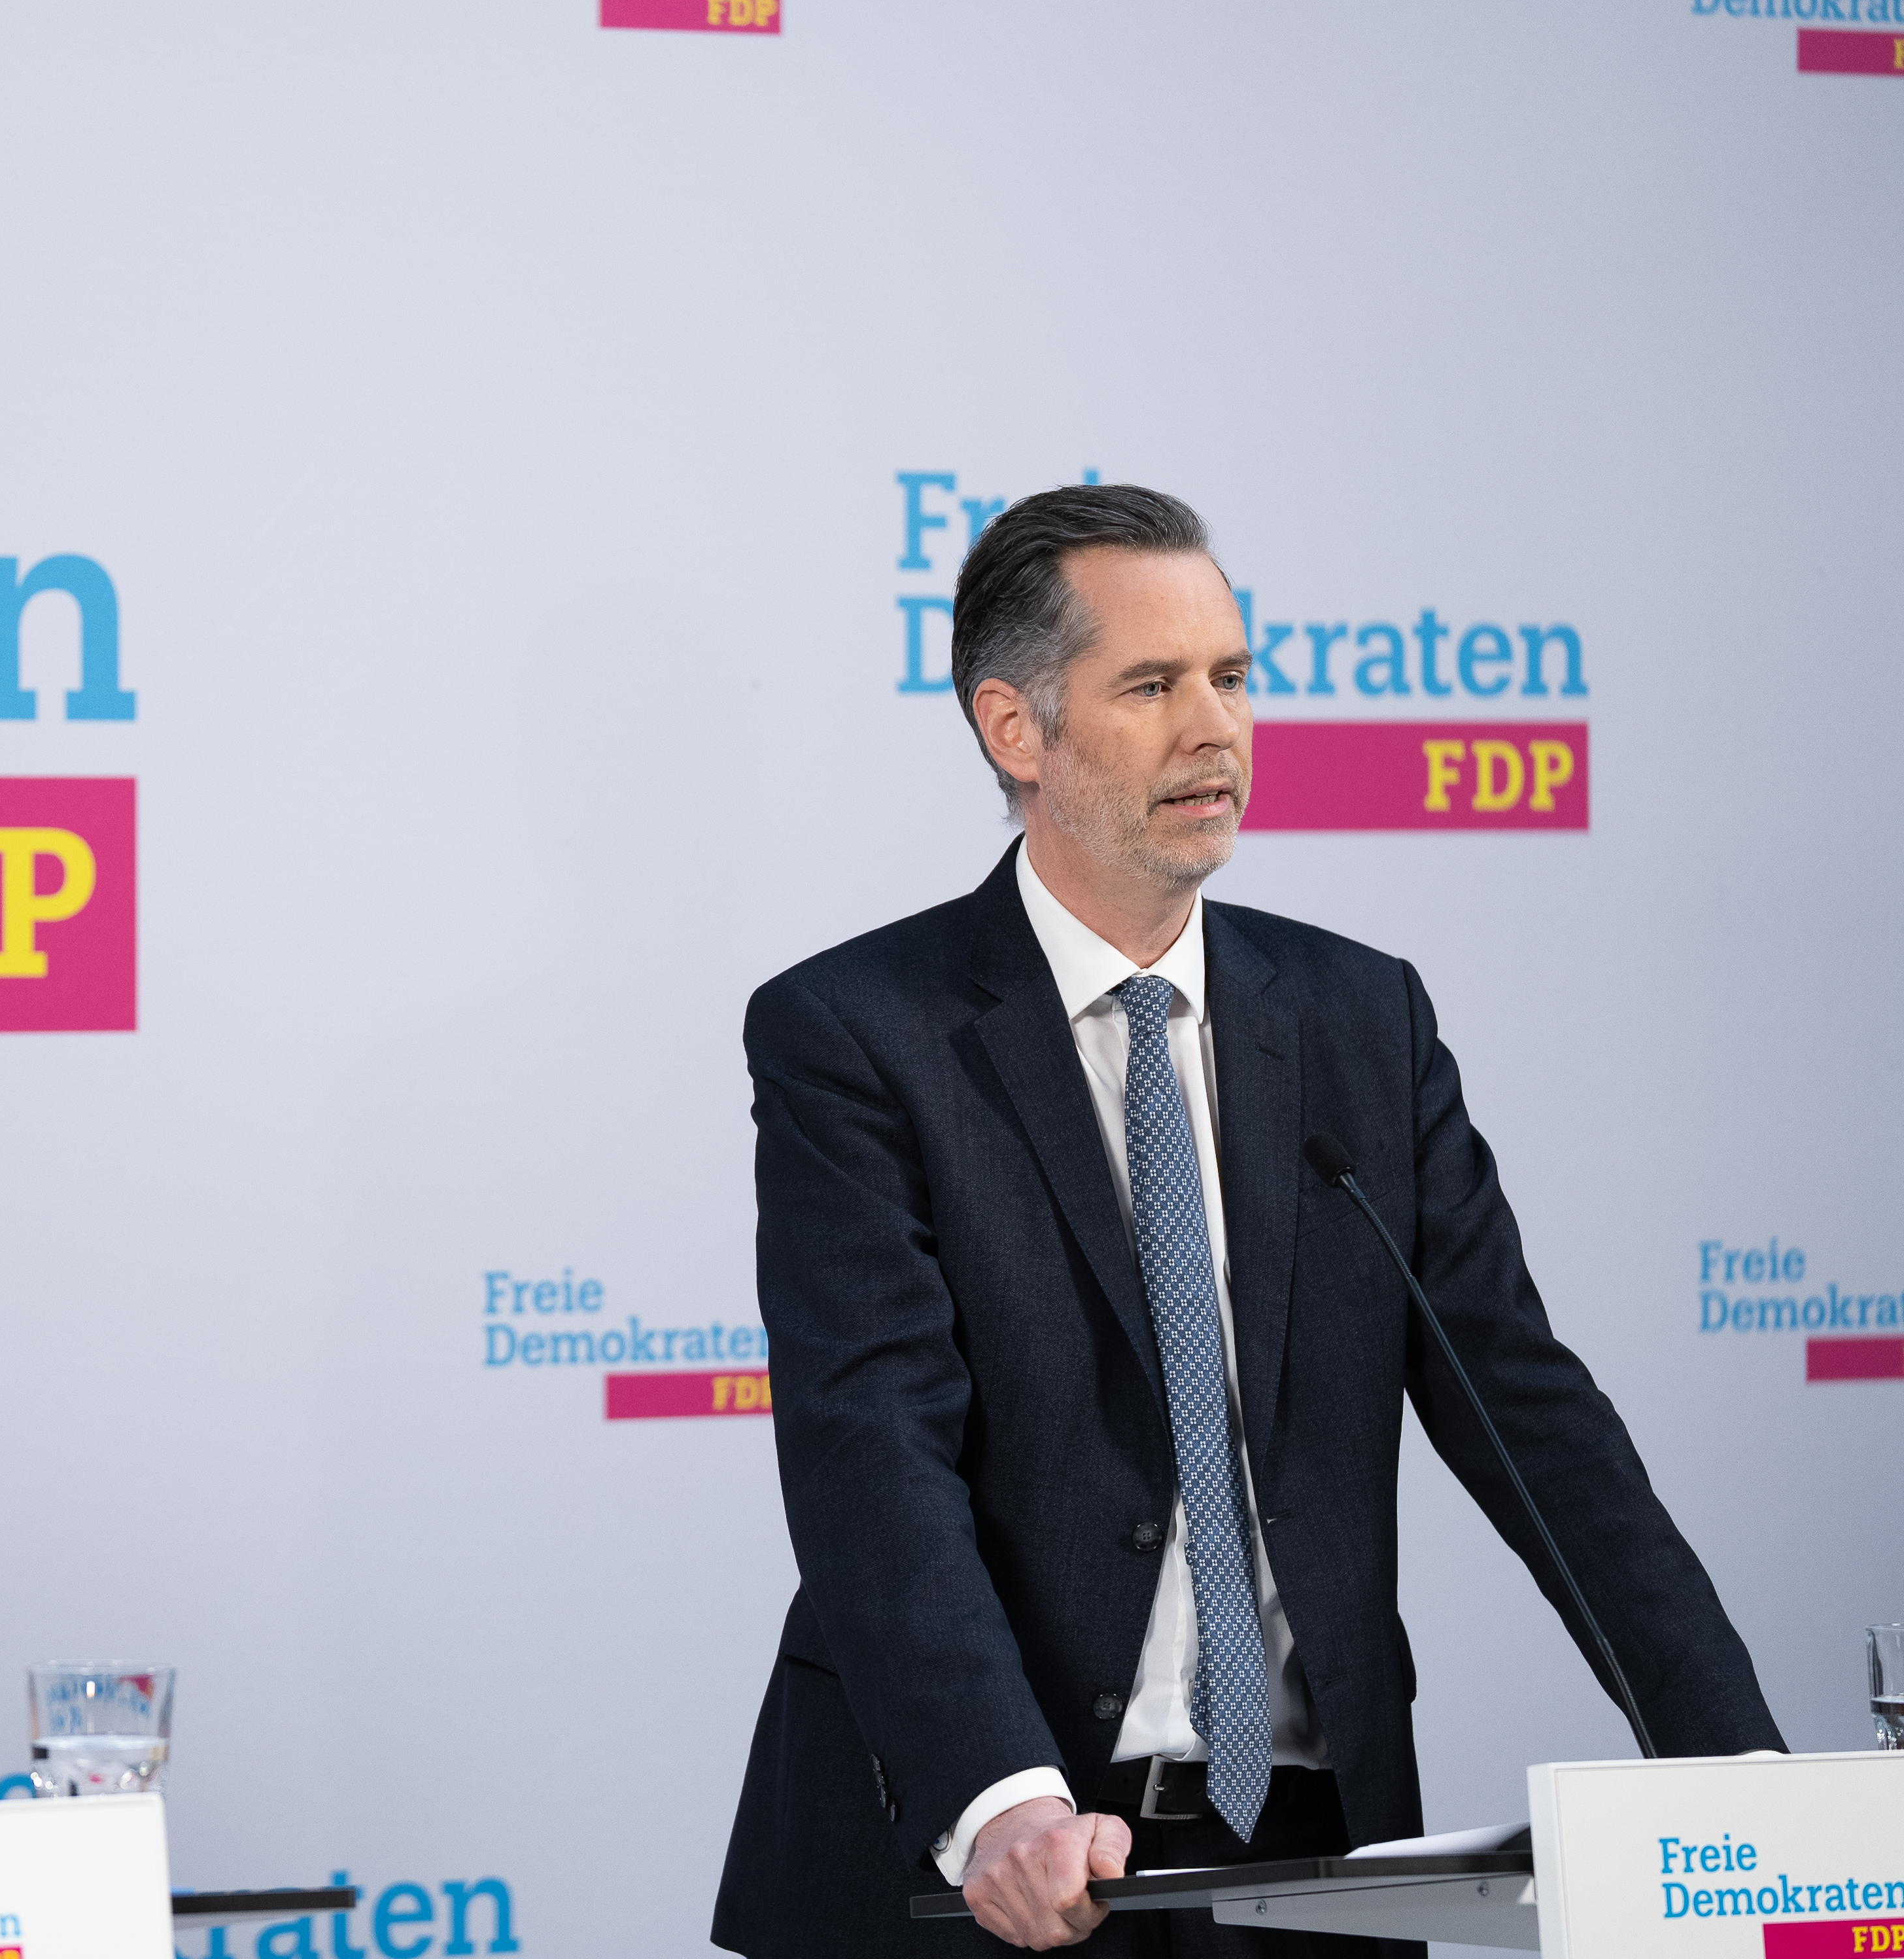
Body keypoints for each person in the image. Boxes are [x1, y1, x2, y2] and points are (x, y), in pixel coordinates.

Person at [707, 487, 1778, 1959]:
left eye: (1232, 676)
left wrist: (1742, 1774)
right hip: (990, 1856)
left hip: (1316, 1855)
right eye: (1150, 686)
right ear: (1016, 730)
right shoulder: (856, 1032)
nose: (1214, 729)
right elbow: (870, 1440)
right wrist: (1001, 1796)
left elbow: (1527, 1414)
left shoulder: (1359, 1018)